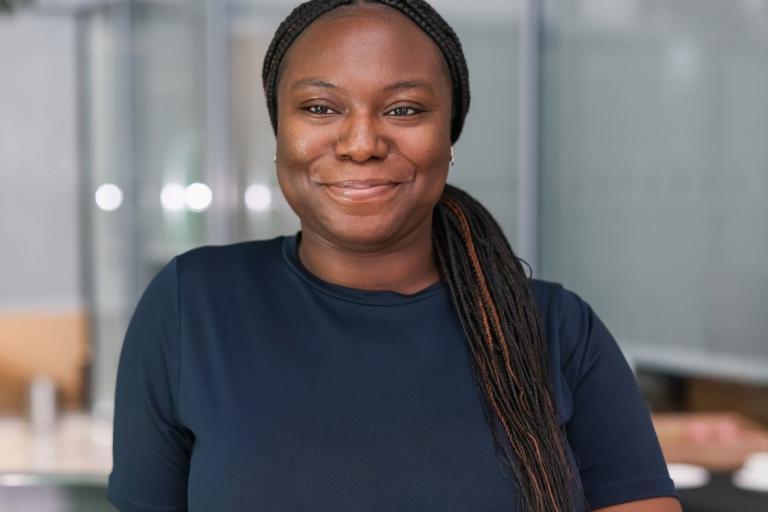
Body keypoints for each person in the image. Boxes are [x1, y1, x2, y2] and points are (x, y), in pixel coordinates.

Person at [107, 1, 682, 511]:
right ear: (278, 132)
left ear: (448, 137)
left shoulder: (558, 331)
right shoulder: (192, 306)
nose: (361, 144)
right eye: (319, 108)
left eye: (404, 110)